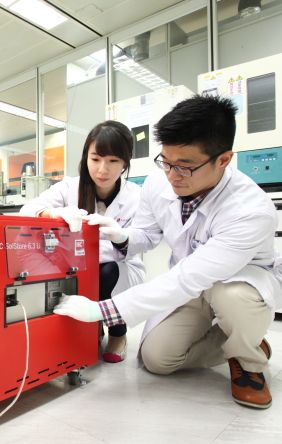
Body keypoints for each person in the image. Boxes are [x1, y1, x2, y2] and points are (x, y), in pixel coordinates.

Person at [54, 95, 281, 409]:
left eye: (185, 167)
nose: (172, 175)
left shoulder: (251, 211)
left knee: (233, 299)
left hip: (238, 282)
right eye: (166, 162)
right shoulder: (157, 184)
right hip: (190, 282)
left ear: (224, 160)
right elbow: (147, 237)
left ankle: (248, 359)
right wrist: (122, 235)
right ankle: (238, 341)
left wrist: (101, 311)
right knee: (158, 359)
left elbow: (190, 277)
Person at [20, 120, 145, 363]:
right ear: (86, 156)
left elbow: (135, 245)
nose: (102, 170)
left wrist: (118, 238)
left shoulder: (136, 197)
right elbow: (29, 209)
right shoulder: (70, 187)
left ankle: (117, 333)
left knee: (106, 271)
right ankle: (89, 327)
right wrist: (52, 214)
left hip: (117, 268)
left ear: (126, 161)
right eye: (95, 159)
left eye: (113, 161)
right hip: (74, 266)